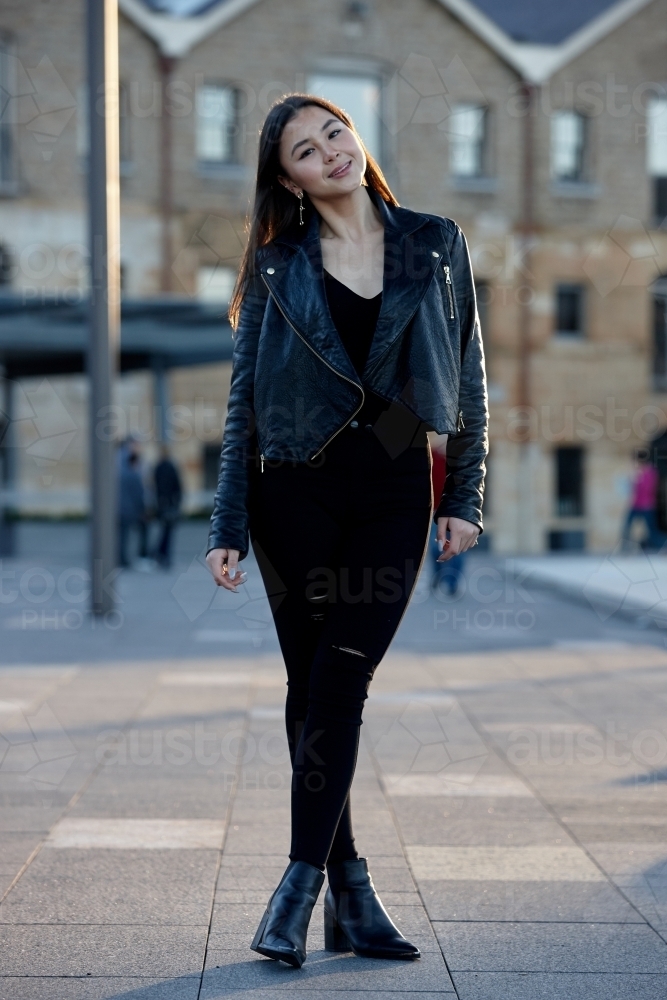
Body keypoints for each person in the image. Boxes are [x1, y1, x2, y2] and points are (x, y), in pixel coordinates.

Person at [205, 94, 488, 969]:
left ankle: (299, 884)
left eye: (334, 131)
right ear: (285, 178)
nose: (327, 150)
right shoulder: (278, 264)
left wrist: (464, 497)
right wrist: (229, 519)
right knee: (314, 684)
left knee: (343, 678)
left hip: (398, 480)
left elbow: (469, 372)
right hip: (292, 488)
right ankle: (349, 893)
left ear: (355, 141)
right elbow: (245, 397)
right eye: (303, 147)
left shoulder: (431, 241)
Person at [623, 448, 661, 550]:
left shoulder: (650, 472)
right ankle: (625, 547)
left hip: (647, 505)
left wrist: (637, 479)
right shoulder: (639, 472)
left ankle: (663, 546)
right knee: (626, 526)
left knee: (652, 531)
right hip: (636, 504)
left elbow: (648, 489)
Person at [152, 448, 182, 568]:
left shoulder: (158, 468)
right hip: (170, 504)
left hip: (162, 504)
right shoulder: (171, 467)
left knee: (164, 531)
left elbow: (155, 486)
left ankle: (160, 554)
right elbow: (178, 487)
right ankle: (163, 555)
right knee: (167, 532)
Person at [118, 451, 146, 568]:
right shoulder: (134, 476)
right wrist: (142, 509)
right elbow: (138, 495)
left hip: (119, 509)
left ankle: (120, 557)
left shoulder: (121, 475)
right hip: (130, 510)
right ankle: (125, 558)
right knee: (128, 535)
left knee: (121, 536)